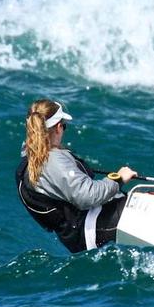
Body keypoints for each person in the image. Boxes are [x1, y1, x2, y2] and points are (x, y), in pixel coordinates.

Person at [15, 99, 137, 252]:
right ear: (59, 127)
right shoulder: (52, 161)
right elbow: (87, 195)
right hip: (92, 227)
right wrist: (118, 179)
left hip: (79, 236)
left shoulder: (29, 160)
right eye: (64, 126)